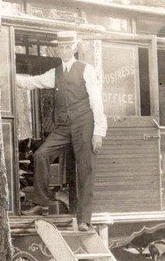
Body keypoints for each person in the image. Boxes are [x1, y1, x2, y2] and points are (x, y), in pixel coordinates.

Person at [17, 30, 106, 231]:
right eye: (61, 47)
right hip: (64, 127)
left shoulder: (86, 70)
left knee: (85, 169)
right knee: (41, 154)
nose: (64, 50)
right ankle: (42, 203)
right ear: (58, 50)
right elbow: (33, 82)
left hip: (84, 124)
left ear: (74, 48)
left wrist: (98, 131)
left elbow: (96, 101)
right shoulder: (55, 73)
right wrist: (8, 77)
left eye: (68, 47)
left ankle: (84, 219)